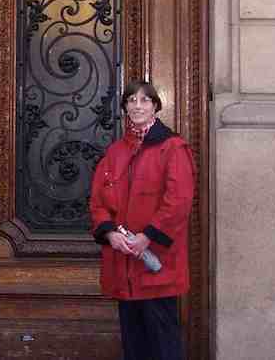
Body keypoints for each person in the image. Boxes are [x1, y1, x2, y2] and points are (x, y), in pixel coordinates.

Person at [89, 80, 195, 360]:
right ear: (124, 107)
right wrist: (110, 234)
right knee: (134, 345)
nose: (137, 106)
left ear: (156, 107)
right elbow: (98, 201)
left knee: (163, 344)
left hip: (156, 264)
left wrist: (147, 236)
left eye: (144, 100)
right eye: (131, 100)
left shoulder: (173, 148)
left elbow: (178, 202)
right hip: (124, 264)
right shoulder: (115, 152)